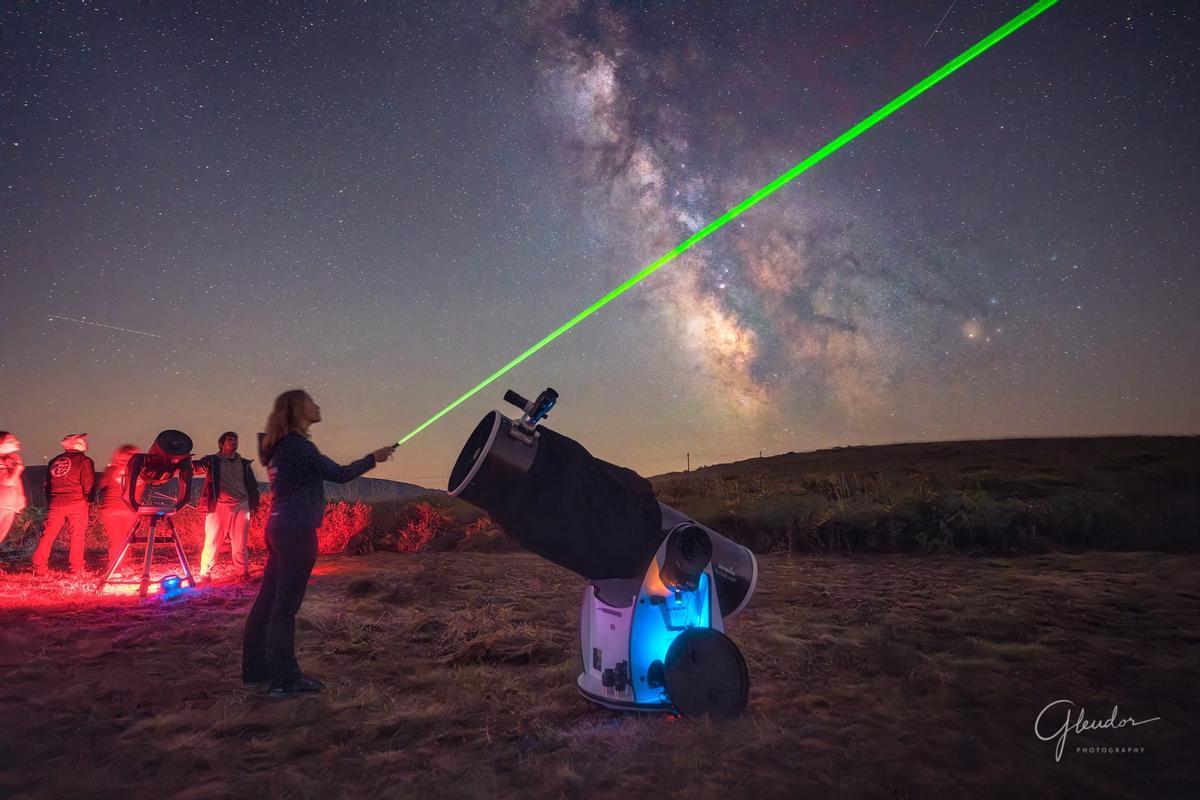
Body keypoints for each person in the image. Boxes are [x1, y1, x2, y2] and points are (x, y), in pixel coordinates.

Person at [243, 390, 395, 696]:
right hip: (296, 531)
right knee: (285, 607)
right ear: (298, 409)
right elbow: (339, 475)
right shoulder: (298, 446)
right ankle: (285, 680)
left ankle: (256, 669)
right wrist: (372, 459)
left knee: (269, 601)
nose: (319, 405)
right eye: (312, 401)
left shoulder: (279, 447)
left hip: (280, 527)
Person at [192, 432, 260, 583]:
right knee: (213, 540)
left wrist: (253, 503)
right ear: (221, 444)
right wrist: (183, 459)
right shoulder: (212, 461)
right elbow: (195, 468)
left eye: (235, 439)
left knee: (240, 540)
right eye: (230, 439)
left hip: (242, 504)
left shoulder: (244, 463)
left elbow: (252, 485)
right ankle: (205, 573)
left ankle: (242, 572)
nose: (234, 441)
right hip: (219, 505)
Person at [32, 433, 96, 576]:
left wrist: (52, 501)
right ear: (76, 444)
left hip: (56, 504)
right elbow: (88, 484)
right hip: (77, 503)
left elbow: (47, 485)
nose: (85, 441)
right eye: (82, 440)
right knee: (77, 536)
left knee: (47, 535)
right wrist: (89, 501)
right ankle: (76, 568)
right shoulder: (85, 461)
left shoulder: (54, 461)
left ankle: (39, 567)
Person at [97, 444, 140, 573]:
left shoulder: (111, 470)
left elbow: (102, 484)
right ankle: (116, 569)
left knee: (117, 540)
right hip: (128, 510)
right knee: (124, 540)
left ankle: (118, 567)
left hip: (111, 509)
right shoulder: (139, 471)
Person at [0, 432, 26, 546]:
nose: (16, 442)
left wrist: (19, 500)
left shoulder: (11, 459)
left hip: (9, 506)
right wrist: (17, 469)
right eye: (10, 440)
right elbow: (6, 481)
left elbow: (16, 483)